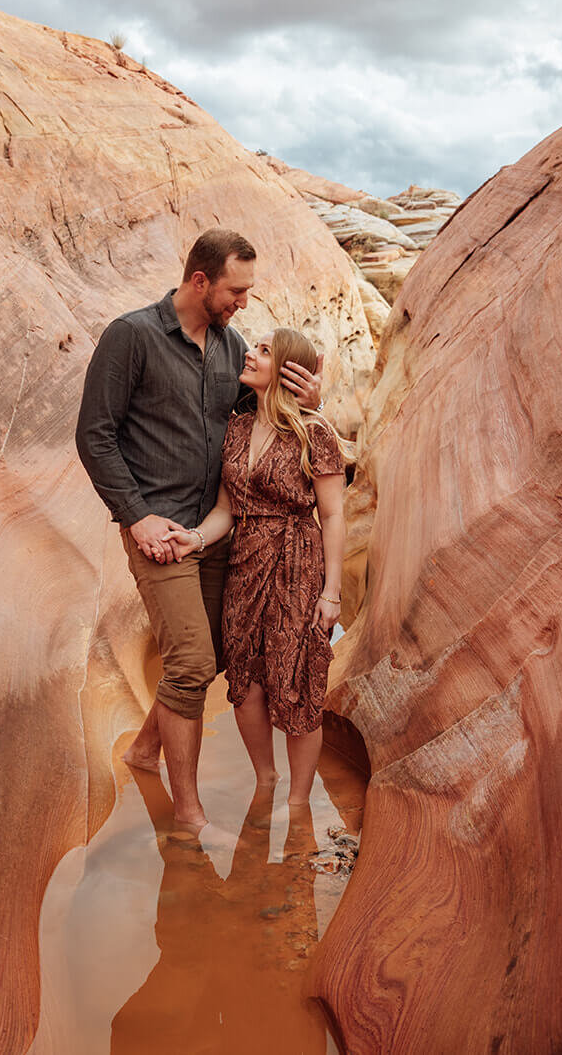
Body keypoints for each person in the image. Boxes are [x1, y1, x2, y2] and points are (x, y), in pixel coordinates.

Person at [74, 229, 321, 835]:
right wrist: (136, 515)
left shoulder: (233, 348)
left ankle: (142, 753)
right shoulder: (131, 336)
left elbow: (267, 420)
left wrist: (313, 400)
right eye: (237, 290)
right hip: (158, 532)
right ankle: (187, 815)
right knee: (188, 661)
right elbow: (94, 434)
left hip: (216, 534)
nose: (244, 302)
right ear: (201, 280)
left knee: (207, 661)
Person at [166, 328, 346, 808]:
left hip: (298, 563)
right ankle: (266, 782)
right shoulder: (238, 429)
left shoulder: (315, 432)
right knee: (244, 678)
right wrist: (195, 538)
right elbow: (227, 508)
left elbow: (332, 514)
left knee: (298, 678)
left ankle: (299, 801)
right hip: (245, 562)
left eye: (264, 351)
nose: (250, 353)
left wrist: (332, 592)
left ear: (287, 368)